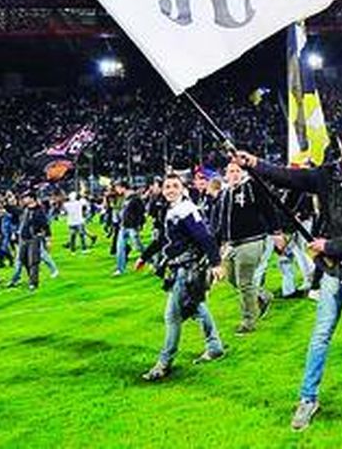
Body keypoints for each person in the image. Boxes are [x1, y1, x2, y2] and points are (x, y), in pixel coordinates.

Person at [232, 125, 342, 433]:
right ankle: (308, 399)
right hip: (335, 269)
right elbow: (289, 176)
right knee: (320, 336)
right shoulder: (326, 175)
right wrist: (254, 163)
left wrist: (328, 246)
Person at [137, 174, 225, 380]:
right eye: (167, 186)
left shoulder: (186, 209)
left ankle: (164, 363)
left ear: (183, 188)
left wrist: (216, 263)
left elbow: (205, 236)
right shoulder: (171, 209)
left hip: (187, 269)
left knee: (172, 316)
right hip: (179, 268)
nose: (170, 190)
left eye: (175, 186)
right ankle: (215, 346)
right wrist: (144, 256)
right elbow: (162, 240)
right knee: (197, 307)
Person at [212, 162, 277, 334]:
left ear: (243, 173)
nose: (233, 174)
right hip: (231, 244)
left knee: (244, 282)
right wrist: (218, 244)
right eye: (230, 171)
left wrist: (276, 231)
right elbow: (220, 222)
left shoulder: (251, 187)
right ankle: (262, 296)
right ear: (225, 174)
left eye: (236, 170)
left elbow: (267, 208)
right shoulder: (225, 193)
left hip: (251, 240)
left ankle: (248, 321)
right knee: (232, 279)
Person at [113, 183, 147, 276]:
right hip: (123, 226)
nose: (117, 191)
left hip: (132, 226)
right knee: (120, 248)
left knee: (138, 247)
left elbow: (141, 212)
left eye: (118, 188)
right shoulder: (125, 198)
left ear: (123, 188)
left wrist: (139, 224)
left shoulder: (135, 198)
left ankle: (150, 258)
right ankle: (120, 269)